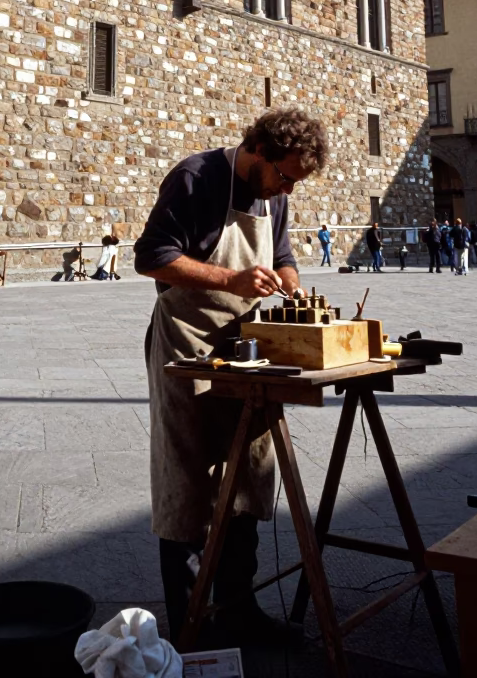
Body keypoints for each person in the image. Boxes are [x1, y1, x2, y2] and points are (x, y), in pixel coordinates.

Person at [134, 107, 328, 643]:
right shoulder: (196, 178)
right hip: (187, 343)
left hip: (246, 349)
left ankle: (240, 611)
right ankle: (191, 627)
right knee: (189, 483)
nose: (287, 189)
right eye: (284, 176)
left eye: (295, 182)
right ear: (260, 150)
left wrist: (290, 282)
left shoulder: (276, 195)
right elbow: (151, 257)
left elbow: (283, 255)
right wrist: (230, 279)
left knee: (246, 476)